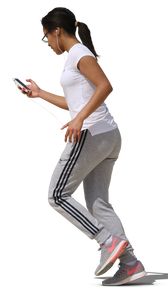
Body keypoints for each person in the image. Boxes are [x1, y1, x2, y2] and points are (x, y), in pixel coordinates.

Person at [21, 7, 146, 286]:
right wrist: (39, 93)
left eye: (46, 38)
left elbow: (105, 86)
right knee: (99, 204)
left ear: (56, 31)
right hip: (108, 135)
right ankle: (130, 264)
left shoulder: (79, 55)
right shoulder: (74, 58)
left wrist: (79, 118)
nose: (48, 44)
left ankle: (106, 241)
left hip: (92, 134)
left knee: (57, 195)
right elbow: (75, 103)